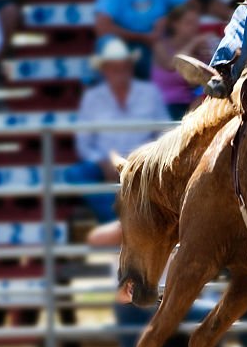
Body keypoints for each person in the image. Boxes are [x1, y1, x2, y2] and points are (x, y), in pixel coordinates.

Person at [66, 37, 170, 223]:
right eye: (114, 68)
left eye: (124, 67)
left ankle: (119, 222)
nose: (120, 72)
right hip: (105, 164)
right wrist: (103, 161)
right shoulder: (92, 98)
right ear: (104, 70)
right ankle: (121, 220)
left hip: (143, 163)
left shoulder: (149, 93)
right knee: (76, 174)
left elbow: (165, 133)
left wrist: (145, 158)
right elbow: (84, 143)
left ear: (130, 67)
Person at [151, 1, 215, 119]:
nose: (194, 27)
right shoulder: (160, 46)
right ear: (175, 24)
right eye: (188, 23)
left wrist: (207, 54)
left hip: (193, 104)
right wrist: (194, 43)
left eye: (196, 23)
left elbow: (201, 81)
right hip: (165, 106)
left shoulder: (198, 49)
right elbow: (172, 64)